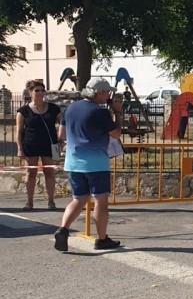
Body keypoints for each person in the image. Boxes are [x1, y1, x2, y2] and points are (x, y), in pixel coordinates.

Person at [53, 78, 125, 252]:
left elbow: (61, 134)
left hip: (73, 162)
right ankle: (101, 239)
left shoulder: (70, 108)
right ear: (99, 92)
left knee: (79, 199)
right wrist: (117, 112)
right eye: (107, 92)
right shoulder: (100, 112)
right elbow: (116, 134)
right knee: (101, 201)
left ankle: (63, 229)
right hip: (96, 164)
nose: (109, 95)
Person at [15, 81, 61, 211]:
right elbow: (19, 132)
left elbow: (63, 124)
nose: (41, 93)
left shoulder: (53, 108)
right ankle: (29, 202)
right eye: (37, 90)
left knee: (50, 172)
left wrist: (61, 140)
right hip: (31, 144)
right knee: (30, 173)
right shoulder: (23, 111)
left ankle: (51, 202)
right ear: (30, 92)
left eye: (42, 90)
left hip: (51, 145)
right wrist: (19, 148)